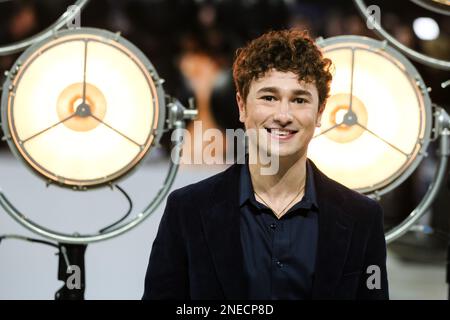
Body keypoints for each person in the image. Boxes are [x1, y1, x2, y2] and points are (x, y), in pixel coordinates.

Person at [143, 29, 389, 300]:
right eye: (269, 97)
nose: (283, 115)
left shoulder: (361, 217)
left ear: (319, 112)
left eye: (299, 100)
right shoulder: (188, 210)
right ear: (242, 106)